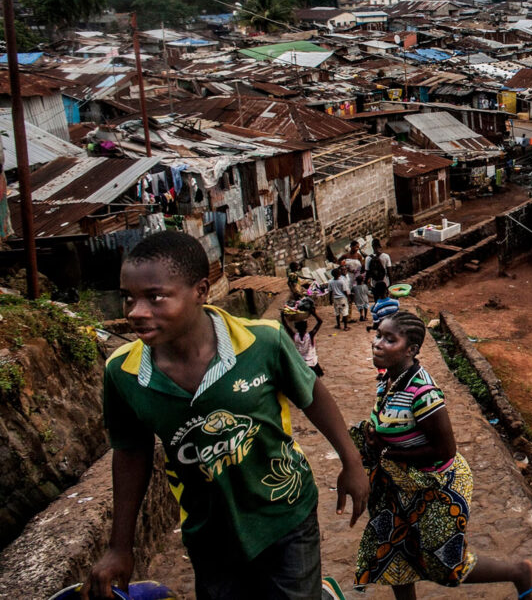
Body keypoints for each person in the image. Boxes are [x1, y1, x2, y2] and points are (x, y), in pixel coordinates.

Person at [85, 231, 368, 600]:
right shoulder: (123, 373)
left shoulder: (262, 342)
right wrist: (120, 546)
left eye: (155, 297)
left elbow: (312, 394)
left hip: (284, 512)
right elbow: (130, 452)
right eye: (128, 298)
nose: (136, 312)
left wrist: (352, 461)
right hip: (208, 530)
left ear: (200, 291)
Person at [352, 312, 532, 599]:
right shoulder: (390, 380)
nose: (377, 343)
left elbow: (445, 449)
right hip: (400, 487)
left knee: (446, 563)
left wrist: (388, 451)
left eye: (389, 339)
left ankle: (521, 572)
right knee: (395, 555)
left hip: (435, 486)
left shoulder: (423, 392)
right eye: (378, 335)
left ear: (411, 349)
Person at [282, 308, 325, 378]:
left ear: (296, 328)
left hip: (301, 364)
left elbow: (286, 326)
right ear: (306, 326)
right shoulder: (310, 335)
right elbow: (320, 321)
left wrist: (282, 316)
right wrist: (314, 313)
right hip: (312, 364)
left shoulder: (294, 336)